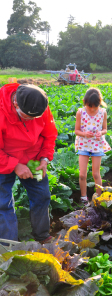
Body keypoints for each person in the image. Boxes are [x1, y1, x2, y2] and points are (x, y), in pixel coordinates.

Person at [0, 83, 58, 244]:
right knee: (2, 204)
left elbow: (50, 135)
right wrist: (15, 165)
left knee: (42, 195)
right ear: (16, 103)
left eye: (35, 117)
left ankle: (42, 236)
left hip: (33, 158)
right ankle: (8, 246)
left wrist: (45, 159)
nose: (32, 120)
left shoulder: (39, 105)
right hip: (3, 160)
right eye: (28, 117)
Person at [75, 88, 111, 202]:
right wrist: (84, 134)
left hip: (97, 145)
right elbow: (76, 131)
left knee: (96, 174)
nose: (91, 108)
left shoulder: (103, 112)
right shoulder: (80, 112)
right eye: (89, 106)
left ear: (99, 103)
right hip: (83, 144)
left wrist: (101, 132)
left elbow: (105, 129)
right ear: (85, 102)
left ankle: (98, 198)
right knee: (82, 175)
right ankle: (83, 198)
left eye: (94, 106)